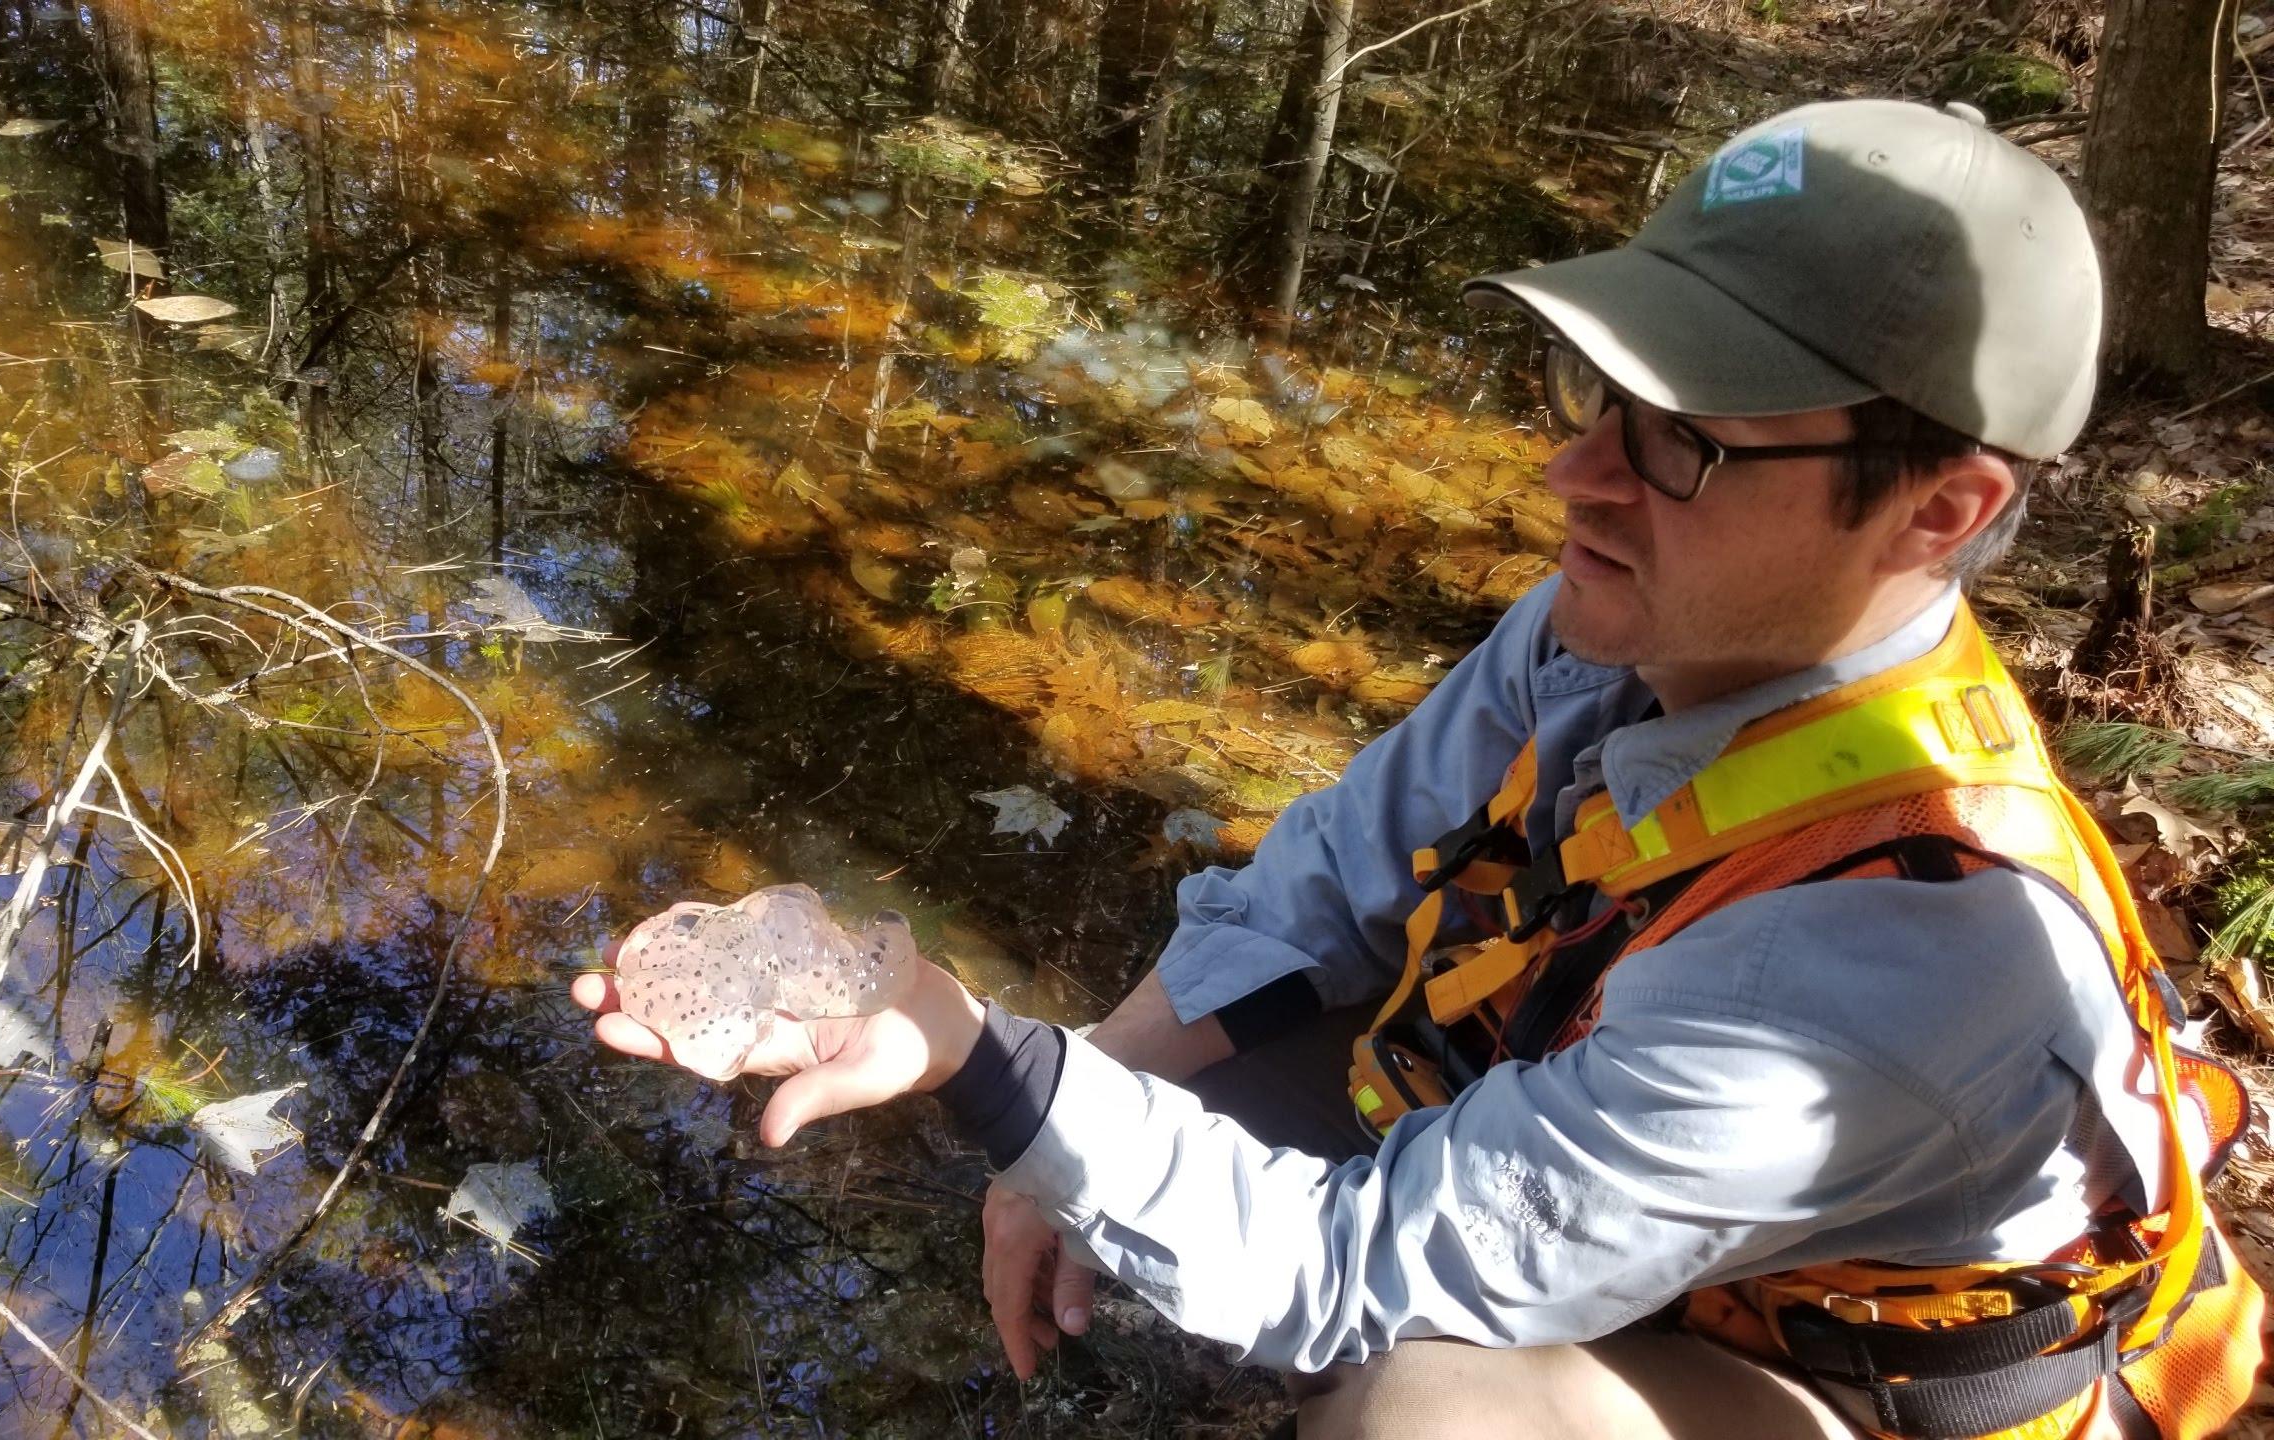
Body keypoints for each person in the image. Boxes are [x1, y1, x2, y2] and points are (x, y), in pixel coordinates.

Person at [573, 99, 2264, 1439]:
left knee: (1428, 1410)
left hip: (1857, 1381)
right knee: (1155, 1095)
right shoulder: (1635, 616)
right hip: (1647, 1155)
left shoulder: (1882, 974)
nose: (1574, 472)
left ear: (1942, 510)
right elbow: (1341, 871)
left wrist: (986, 1061)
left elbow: (1343, 1269)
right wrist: (1084, 1086)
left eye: (1683, 434)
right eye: (1598, 389)